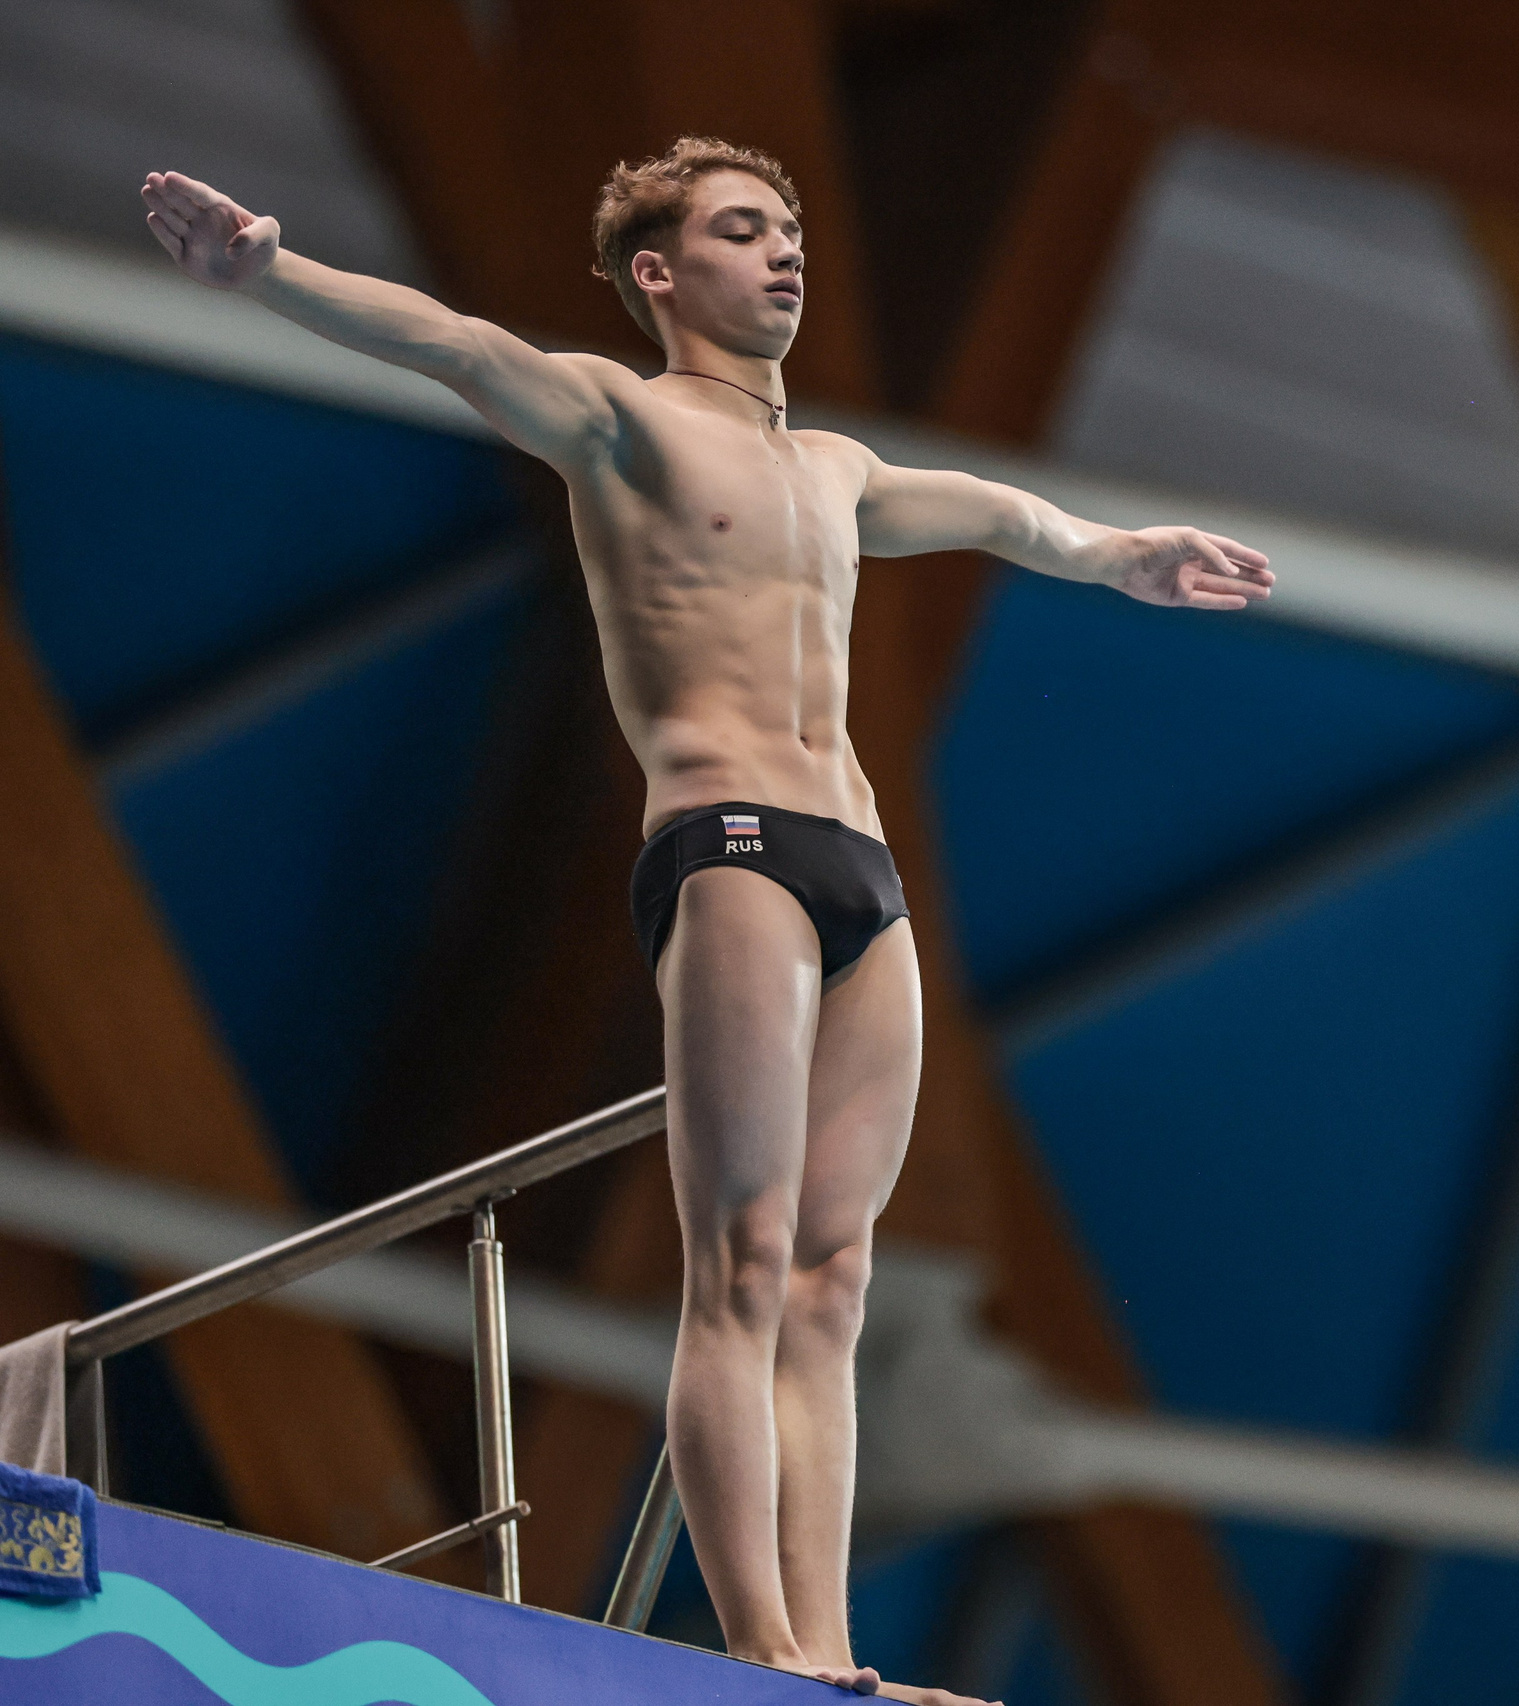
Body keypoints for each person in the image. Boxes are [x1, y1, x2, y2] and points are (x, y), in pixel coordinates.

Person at [140, 138, 1272, 1700]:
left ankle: (834, 1657)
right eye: (748, 230)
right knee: (738, 1258)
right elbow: (456, 345)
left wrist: (1120, 553)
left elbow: (1001, 514)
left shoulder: (839, 471)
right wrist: (267, 271)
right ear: (663, 274)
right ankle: (760, 1645)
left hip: (864, 871)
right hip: (731, 843)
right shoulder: (620, 419)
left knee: (834, 1279)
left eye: (792, 228)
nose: (787, 251)